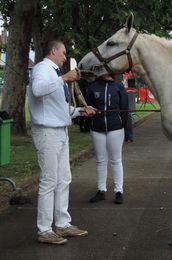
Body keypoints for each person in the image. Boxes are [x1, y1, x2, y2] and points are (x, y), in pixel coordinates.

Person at [27, 39, 97, 245]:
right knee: (49, 181)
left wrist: (80, 110)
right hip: (47, 132)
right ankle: (44, 230)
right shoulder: (42, 69)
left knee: (63, 179)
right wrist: (65, 78)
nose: (65, 57)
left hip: (59, 131)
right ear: (53, 51)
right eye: (64, 53)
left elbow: (59, 109)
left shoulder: (55, 75)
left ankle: (62, 224)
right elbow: (38, 90)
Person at [86, 74, 129, 204]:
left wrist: (128, 132)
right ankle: (101, 190)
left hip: (115, 128)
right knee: (100, 161)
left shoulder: (118, 86)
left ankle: (119, 191)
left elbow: (125, 110)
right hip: (97, 129)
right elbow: (88, 107)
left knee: (116, 160)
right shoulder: (93, 87)